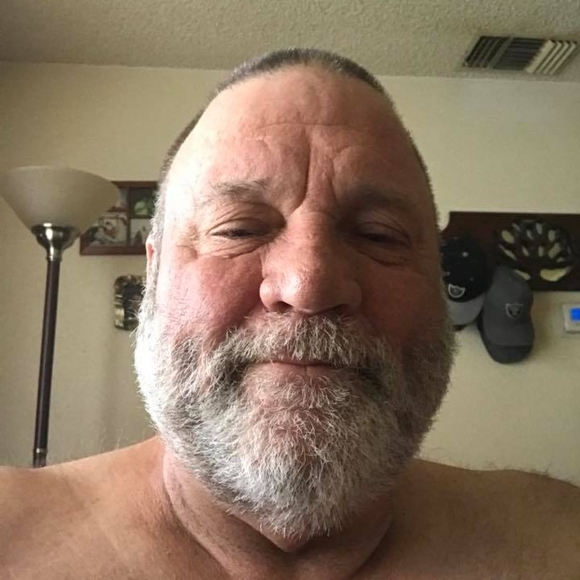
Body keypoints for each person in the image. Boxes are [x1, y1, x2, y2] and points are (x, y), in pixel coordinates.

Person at [1, 48, 579, 579]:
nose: (309, 285)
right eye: (238, 229)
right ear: (154, 276)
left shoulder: (558, 543)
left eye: (379, 235)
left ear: (435, 283)